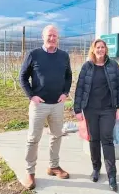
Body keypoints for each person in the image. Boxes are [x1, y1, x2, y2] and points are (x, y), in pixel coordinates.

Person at [19, 25, 72, 190]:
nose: (52, 38)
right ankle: (30, 172)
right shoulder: (34, 54)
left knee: (56, 136)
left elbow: (68, 75)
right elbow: (22, 76)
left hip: (57, 105)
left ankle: (54, 166)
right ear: (43, 37)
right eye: (49, 35)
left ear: (58, 38)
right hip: (39, 105)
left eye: (55, 36)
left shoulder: (64, 56)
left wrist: (65, 92)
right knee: (33, 139)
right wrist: (31, 95)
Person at [74, 39, 119, 192]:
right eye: (98, 47)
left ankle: (112, 176)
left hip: (108, 110)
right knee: (94, 139)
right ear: (93, 49)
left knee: (107, 140)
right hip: (90, 110)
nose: (100, 50)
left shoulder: (113, 65)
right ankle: (96, 168)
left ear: (106, 50)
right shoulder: (87, 67)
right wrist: (78, 109)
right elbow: (80, 88)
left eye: (103, 47)